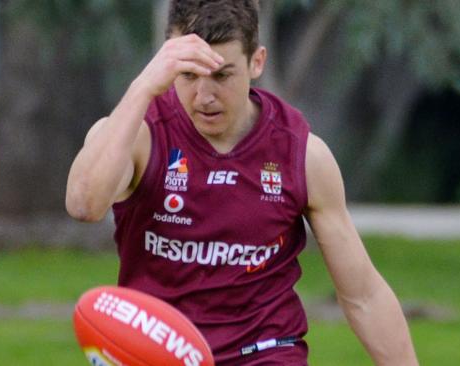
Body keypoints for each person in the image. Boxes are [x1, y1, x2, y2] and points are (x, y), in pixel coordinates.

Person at [66, 1, 419, 365]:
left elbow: (364, 295)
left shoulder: (301, 155)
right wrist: (143, 87)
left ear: (257, 62)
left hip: (264, 353)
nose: (204, 97)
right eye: (188, 75)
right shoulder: (139, 134)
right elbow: (83, 204)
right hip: (159, 353)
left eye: (221, 75)